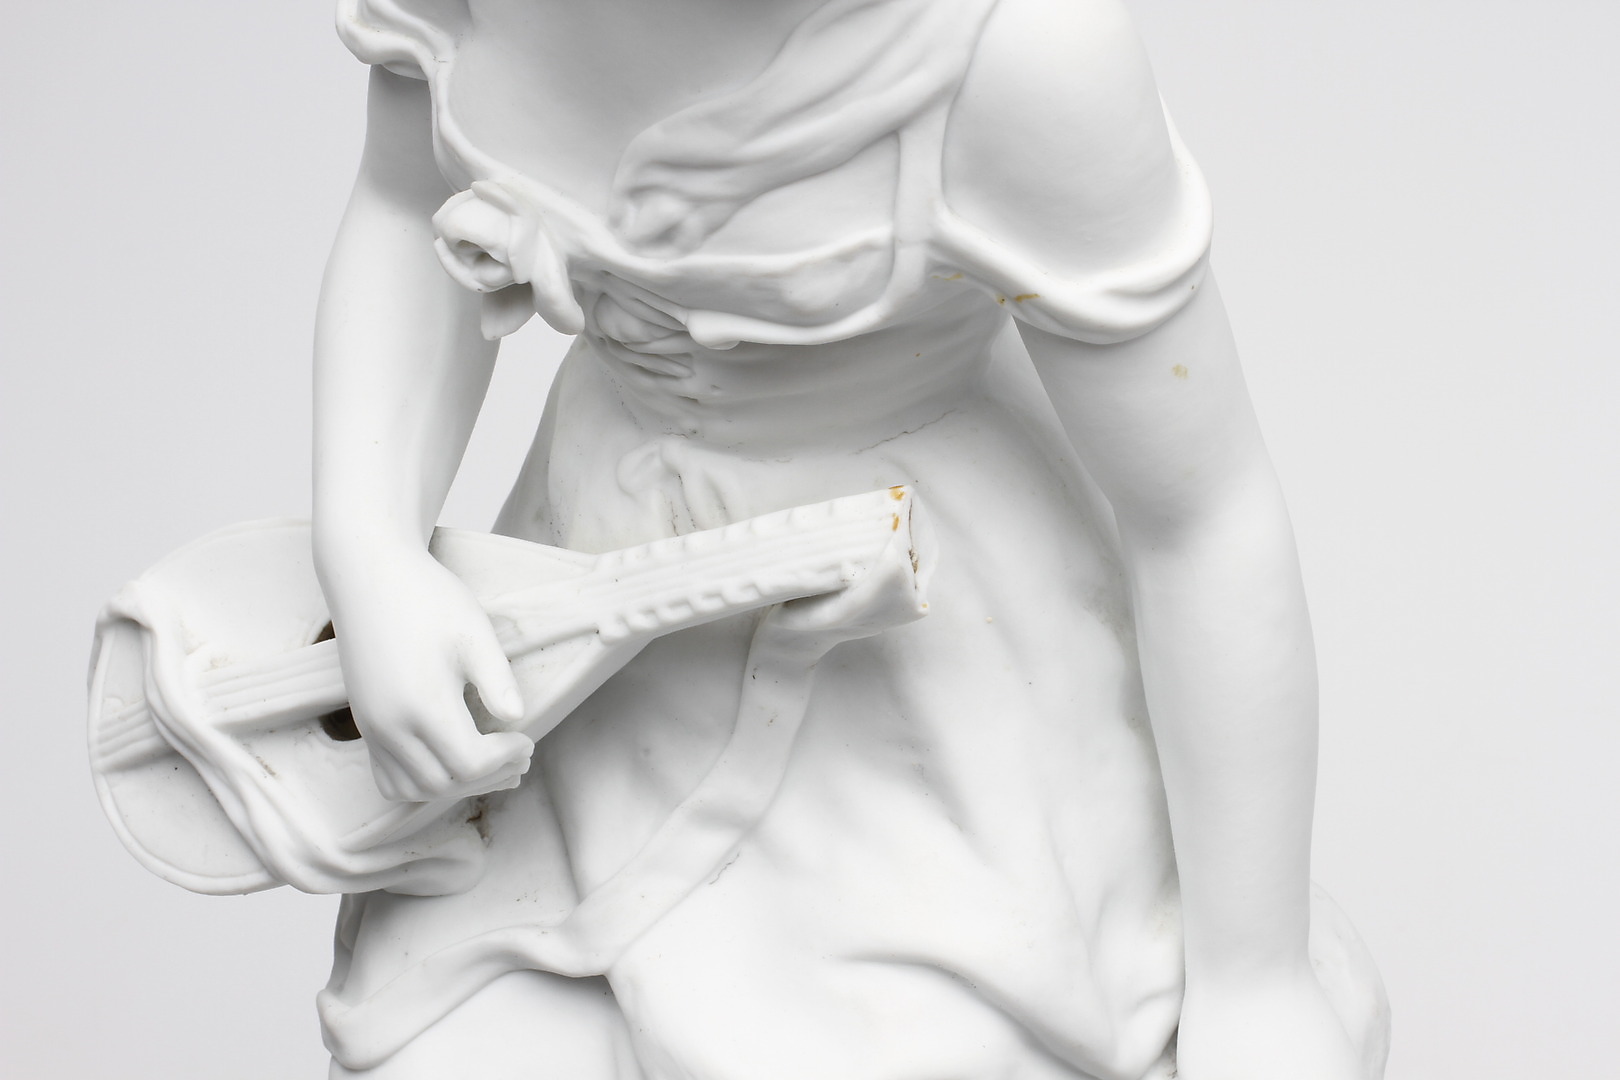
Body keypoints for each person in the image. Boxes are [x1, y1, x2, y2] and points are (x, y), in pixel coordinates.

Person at [310, 0, 1389, 1077]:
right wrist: (369, 549)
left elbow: (1199, 516)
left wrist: (1257, 977)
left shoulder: (1019, 54)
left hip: (916, 650)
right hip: (589, 608)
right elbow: (406, 200)